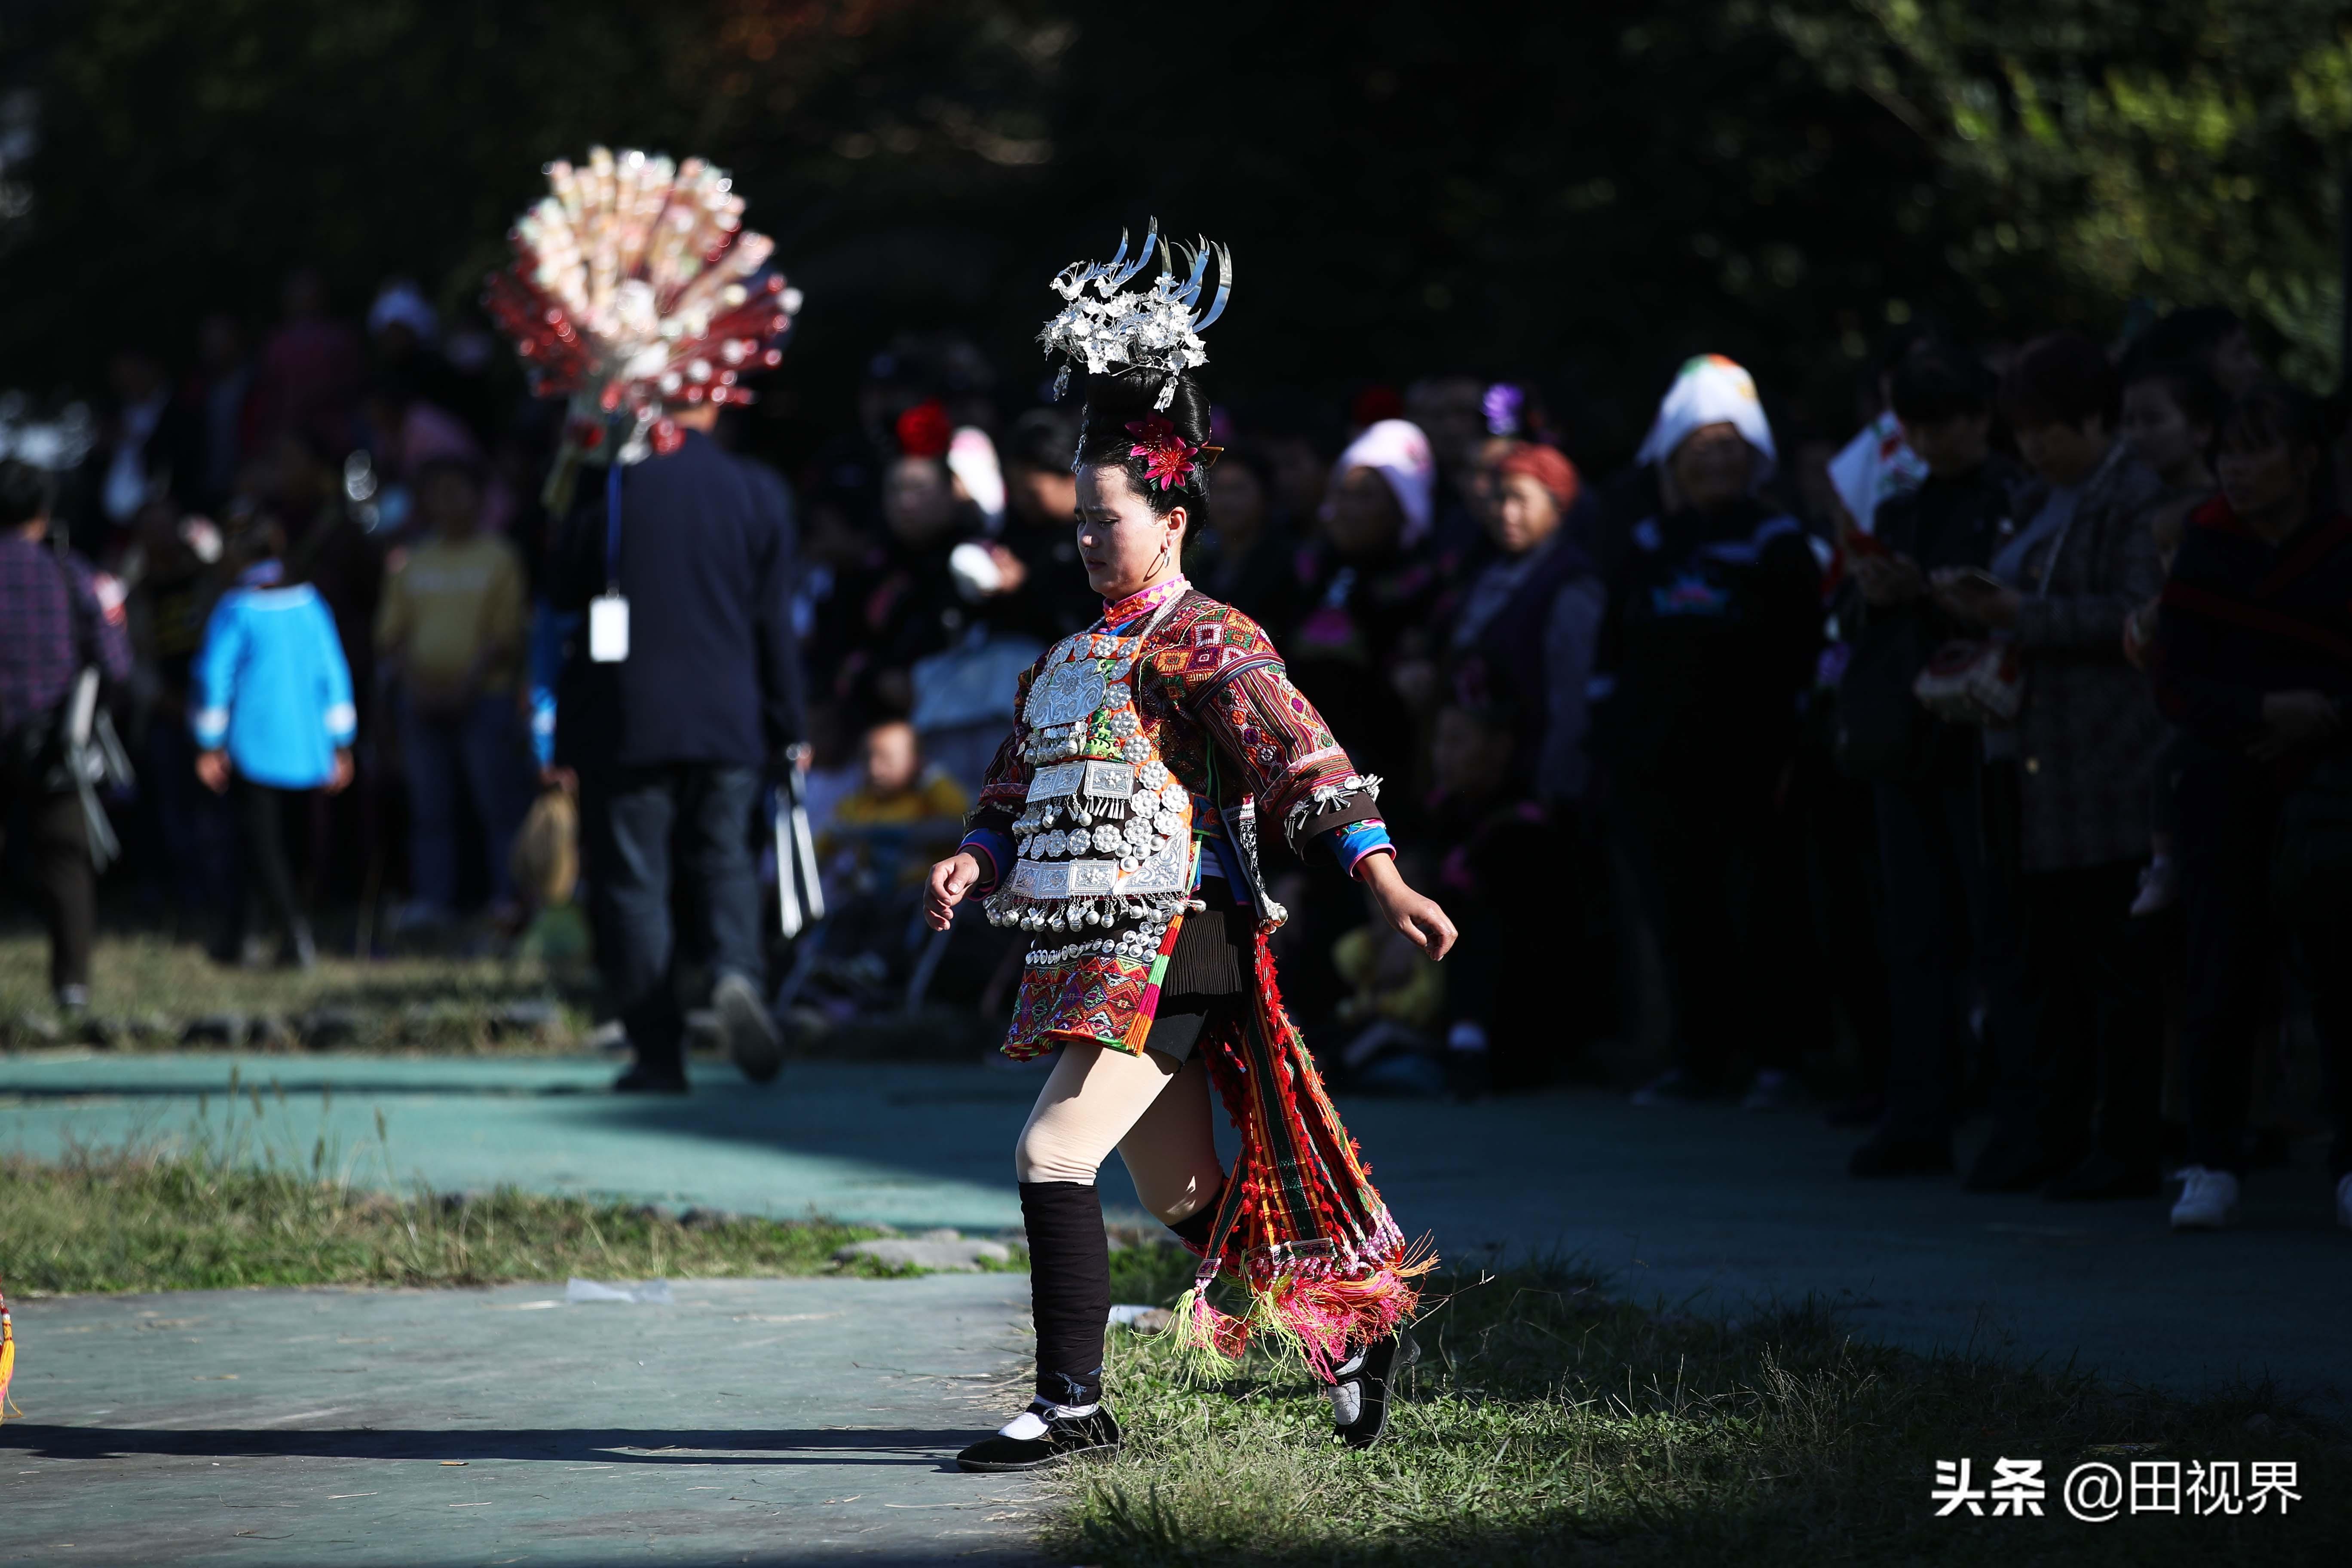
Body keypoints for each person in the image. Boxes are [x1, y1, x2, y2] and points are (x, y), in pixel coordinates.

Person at [932, 239, 1455, 1471]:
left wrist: (1382, 878)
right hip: (1083, 946)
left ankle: (1073, 1408)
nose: (1087, 543)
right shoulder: (1064, 657)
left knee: (1052, 1154)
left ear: (1171, 521)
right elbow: (1016, 783)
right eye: (1077, 525)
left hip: (1182, 938)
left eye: (1107, 522)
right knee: (1181, 1199)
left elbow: (1304, 760)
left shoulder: (1212, 638)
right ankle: (1351, 1329)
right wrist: (974, 854)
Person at [1930, 331, 2166, 1196]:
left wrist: (2020, 613)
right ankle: (2053, 1131)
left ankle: (2123, 1138)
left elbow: (2137, 617)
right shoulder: (2034, 499)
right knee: (2046, 965)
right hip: (2028, 768)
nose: (2033, 445)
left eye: (2051, 427)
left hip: (2105, 762)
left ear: (2095, 419)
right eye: (2023, 428)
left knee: (2115, 968)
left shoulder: (2134, 499)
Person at [547, 400, 803, 1092]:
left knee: (634, 882)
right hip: (730, 713)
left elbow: (562, 580)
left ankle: (657, 1052)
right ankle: (734, 973)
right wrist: (791, 721)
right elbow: (772, 620)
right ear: (715, 396)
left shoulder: (609, 484)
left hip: (626, 715)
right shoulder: (754, 487)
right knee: (723, 858)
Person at [1594, 355, 1824, 1106]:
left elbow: (1802, 652)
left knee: (1761, 908)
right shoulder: (1648, 541)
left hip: (1753, 762)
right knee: (1680, 913)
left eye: (1730, 445)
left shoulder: (1779, 540)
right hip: (1657, 764)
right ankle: (1698, 1060)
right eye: (1701, 447)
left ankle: (1778, 1059)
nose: (1716, 459)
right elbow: (1612, 648)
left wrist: (1792, 743)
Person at [2150, 384, 2352, 1232]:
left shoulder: (2340, 549)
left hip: (2329, 788)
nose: (2235, 466)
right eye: (2226, 450)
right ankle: (2213, 1158)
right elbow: (2177, 676)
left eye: (2257, 448)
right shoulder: (2206, 547)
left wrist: (2317, 718)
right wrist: (2263, 713)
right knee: (2221, 966)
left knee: (2339, 973)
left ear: (2306, 459)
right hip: (2223, 778)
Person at [1837, 345, 2028, 1178]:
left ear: (1983, 419)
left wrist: (1962, 598)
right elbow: (1855, 617)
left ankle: (2018, 1120)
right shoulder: (1905, 507)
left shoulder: (2015, 500)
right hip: (1907, 738)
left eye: (1947, 422)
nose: (1934, 439)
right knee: (1914, 933)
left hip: (1987, 738)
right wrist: (1877, 592)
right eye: (1918, 425)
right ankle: (1920, 1113)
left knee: (2000, 932)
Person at [374, 455, 531, 928]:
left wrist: (466, 685)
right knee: (430, 808)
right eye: (437, 492)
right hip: (419, 701)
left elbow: (506, 636)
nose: (447, 501)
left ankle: (507, 900)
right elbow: (391, 636)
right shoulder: (411, 560)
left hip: (485, 698)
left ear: (480, 499)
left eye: (457, 490)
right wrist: (418, 685)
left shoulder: (500, 557)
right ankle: (433, 901)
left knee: (496, 805)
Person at [190, 521, 356, 968]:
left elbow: (213, 676)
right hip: (309, 749)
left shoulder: (237, 607)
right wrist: (342, 742)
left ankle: (292, 933)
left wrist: (209, 743)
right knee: (284, 847)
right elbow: (334, 672)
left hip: (253, 748)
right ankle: (240, 936)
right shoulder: (310, 604)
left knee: (261, 846)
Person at [0, 459, 133, 1011]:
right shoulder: (72, 573)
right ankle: (71, 988)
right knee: (66, 859)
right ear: (43, 513)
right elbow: (114, 662)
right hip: (54, 737)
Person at [1447, 441, 1604, 806]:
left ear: (1558, 507)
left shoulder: (1572, 586)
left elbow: (1571, 697)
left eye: (1521, 500)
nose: (1506, 513)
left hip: (1531, 779)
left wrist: (1554, 789)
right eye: (1500, 499)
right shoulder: (1488, 572)